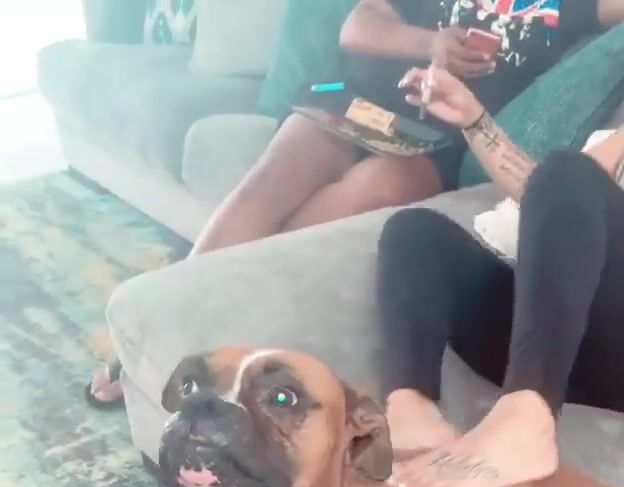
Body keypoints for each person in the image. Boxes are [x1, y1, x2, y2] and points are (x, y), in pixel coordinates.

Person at [89, 0, 595, 407]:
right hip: (358, 100)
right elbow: (357, 26)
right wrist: (431, 42)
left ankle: (192, 328)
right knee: (264, 188)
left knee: (351, 205)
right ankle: (161, 324)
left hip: (438, 139)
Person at [377, 63, 624, 487]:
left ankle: (527, 421)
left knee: (569, 171)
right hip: (562, 335)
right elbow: (556, 197)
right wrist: (476, 122)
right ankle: (412, 412)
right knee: (415, 234)